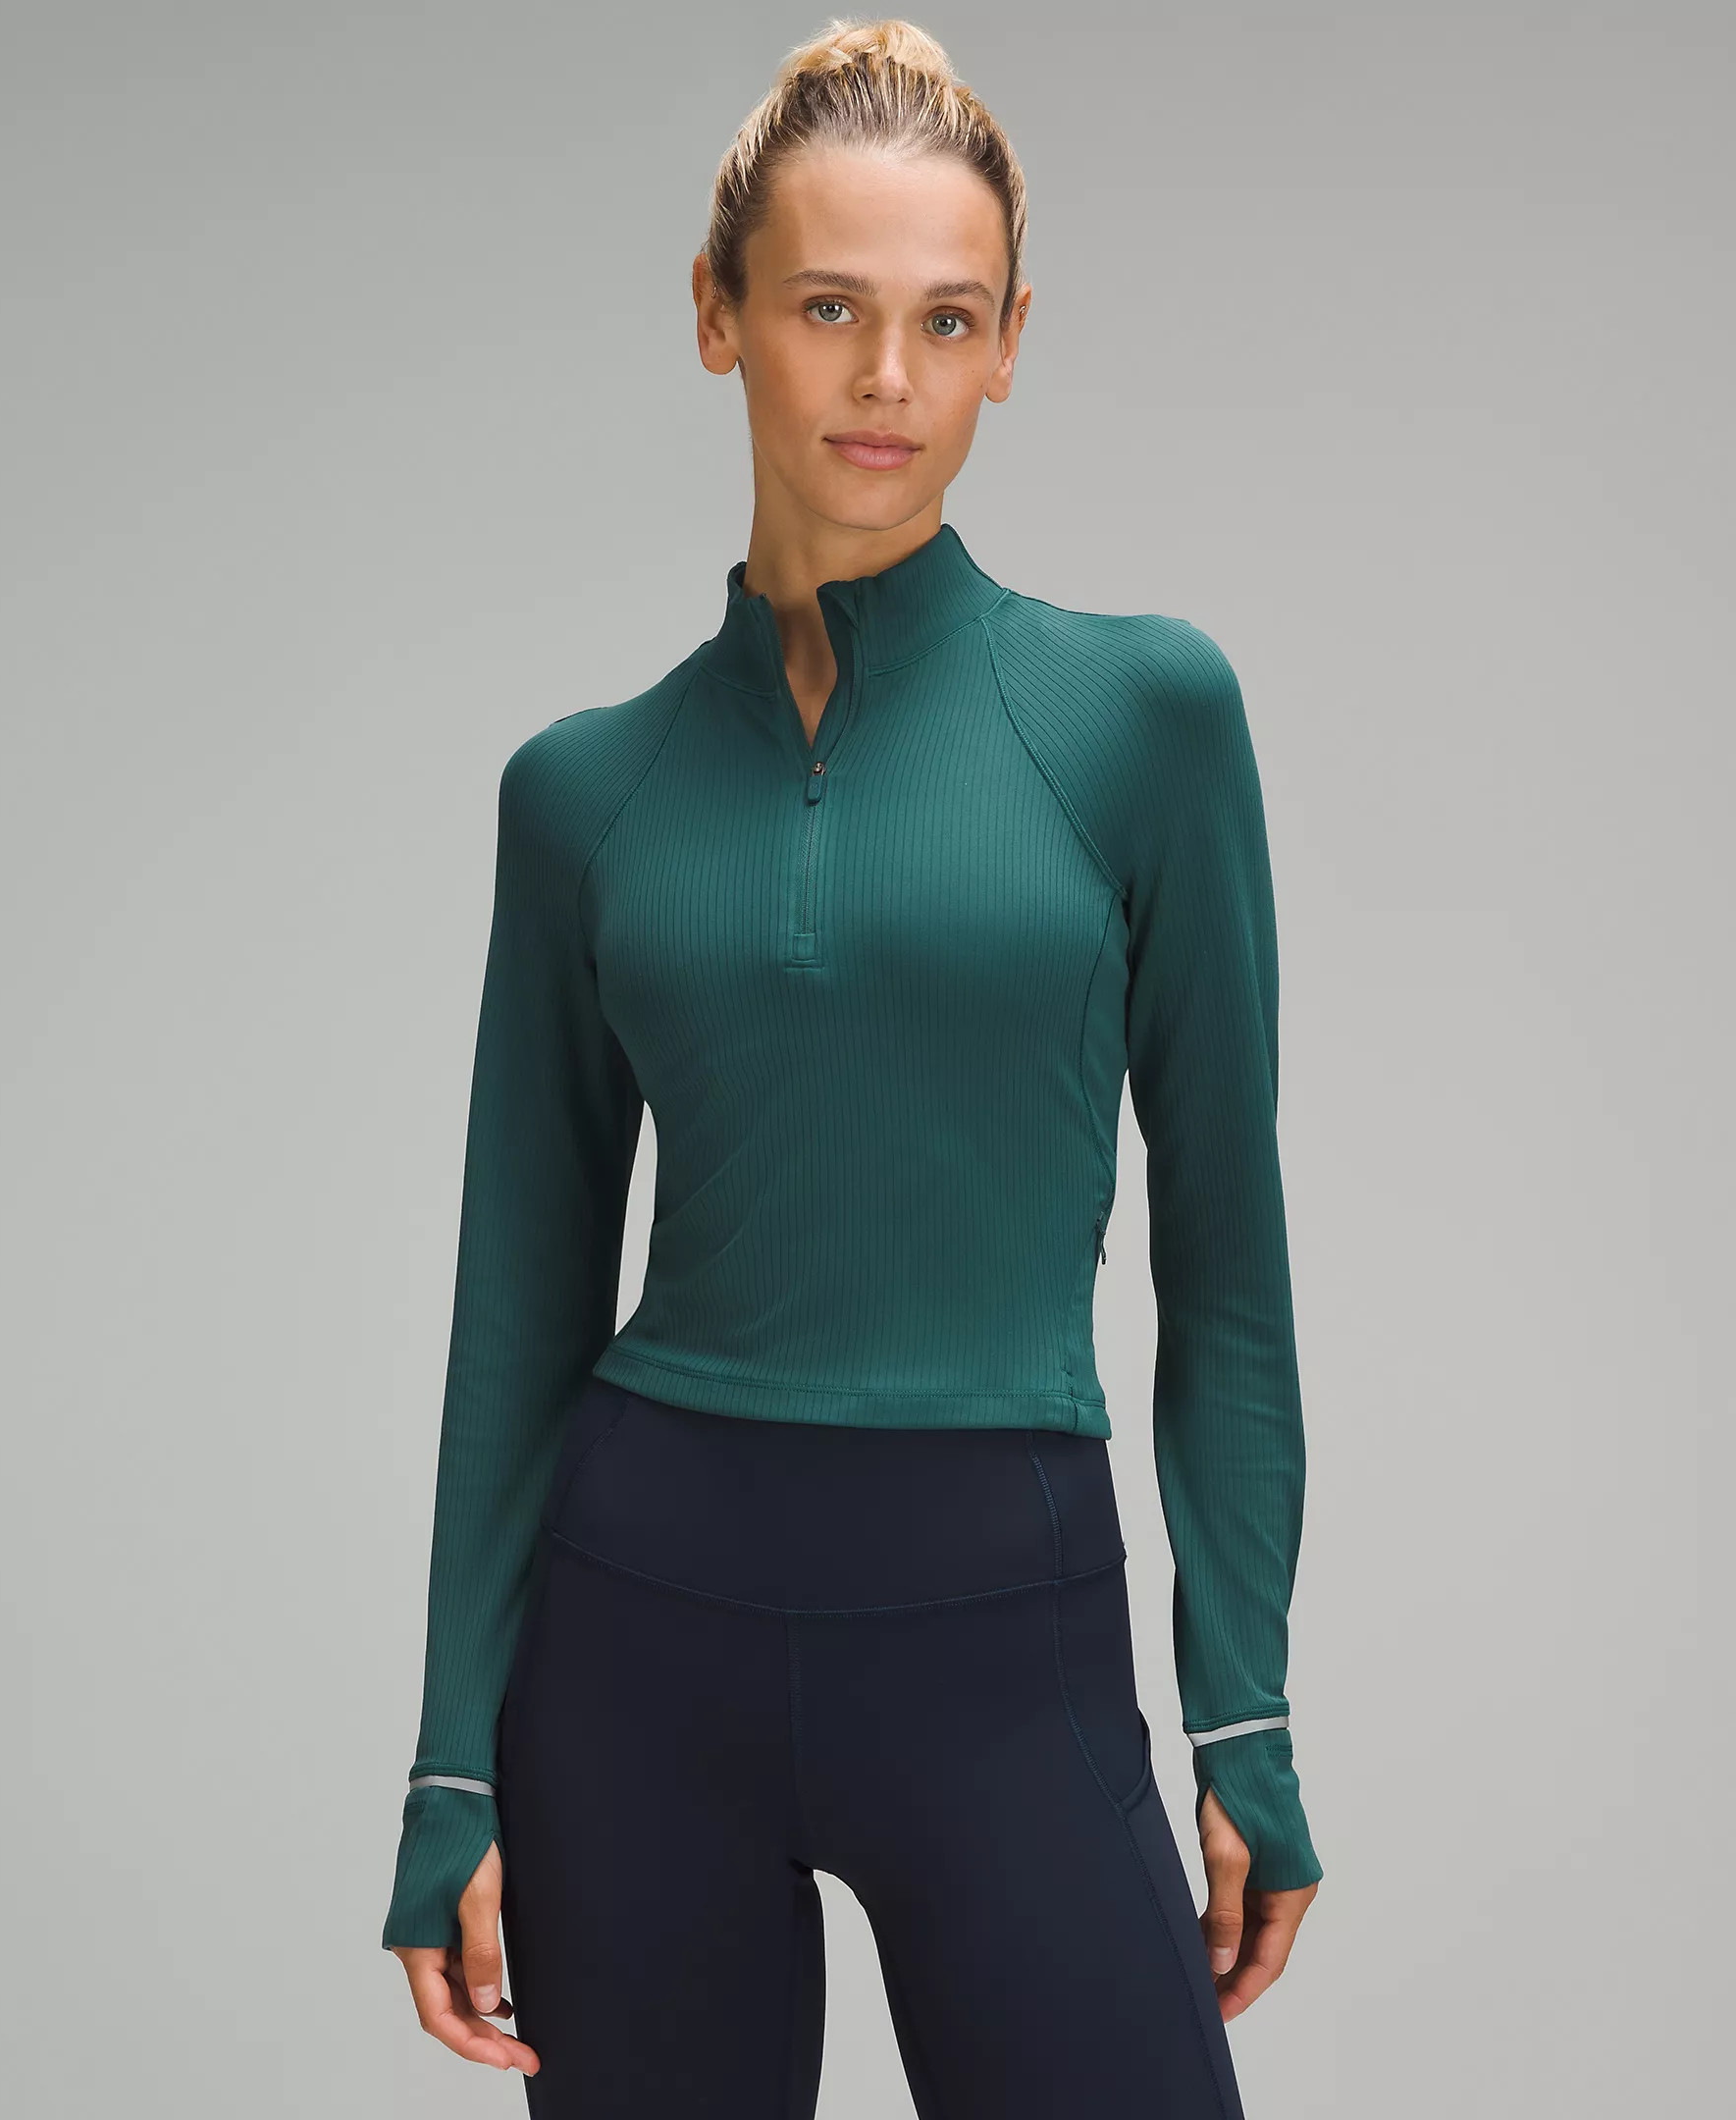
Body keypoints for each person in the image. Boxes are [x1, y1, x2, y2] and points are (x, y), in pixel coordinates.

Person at [382, 17, 1321, 2115]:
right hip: (635, 1650)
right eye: (827, 308)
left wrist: (1242, 1711)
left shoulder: (1145, 724)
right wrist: (452, 1759)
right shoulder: (583, 796)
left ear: (1009, 346)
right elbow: (517, 1313)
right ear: (717, 316)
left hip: (1009, 1645)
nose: (888, 375)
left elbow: (1230, 1272)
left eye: (946, 319)